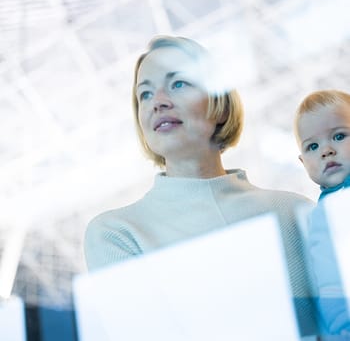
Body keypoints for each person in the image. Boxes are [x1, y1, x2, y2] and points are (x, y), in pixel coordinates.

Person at [85, 35, 316, 335]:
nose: (158, 102)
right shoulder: (115, 234)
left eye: (178, 83)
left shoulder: (295, 212)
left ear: (219, 104)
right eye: (145, 94)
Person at [294, 89, 350, 337]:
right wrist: (342, 326)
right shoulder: (322, 217)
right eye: (313, 146)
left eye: (339, 136)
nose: (326, 151)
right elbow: (329, 281)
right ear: (303, 162)